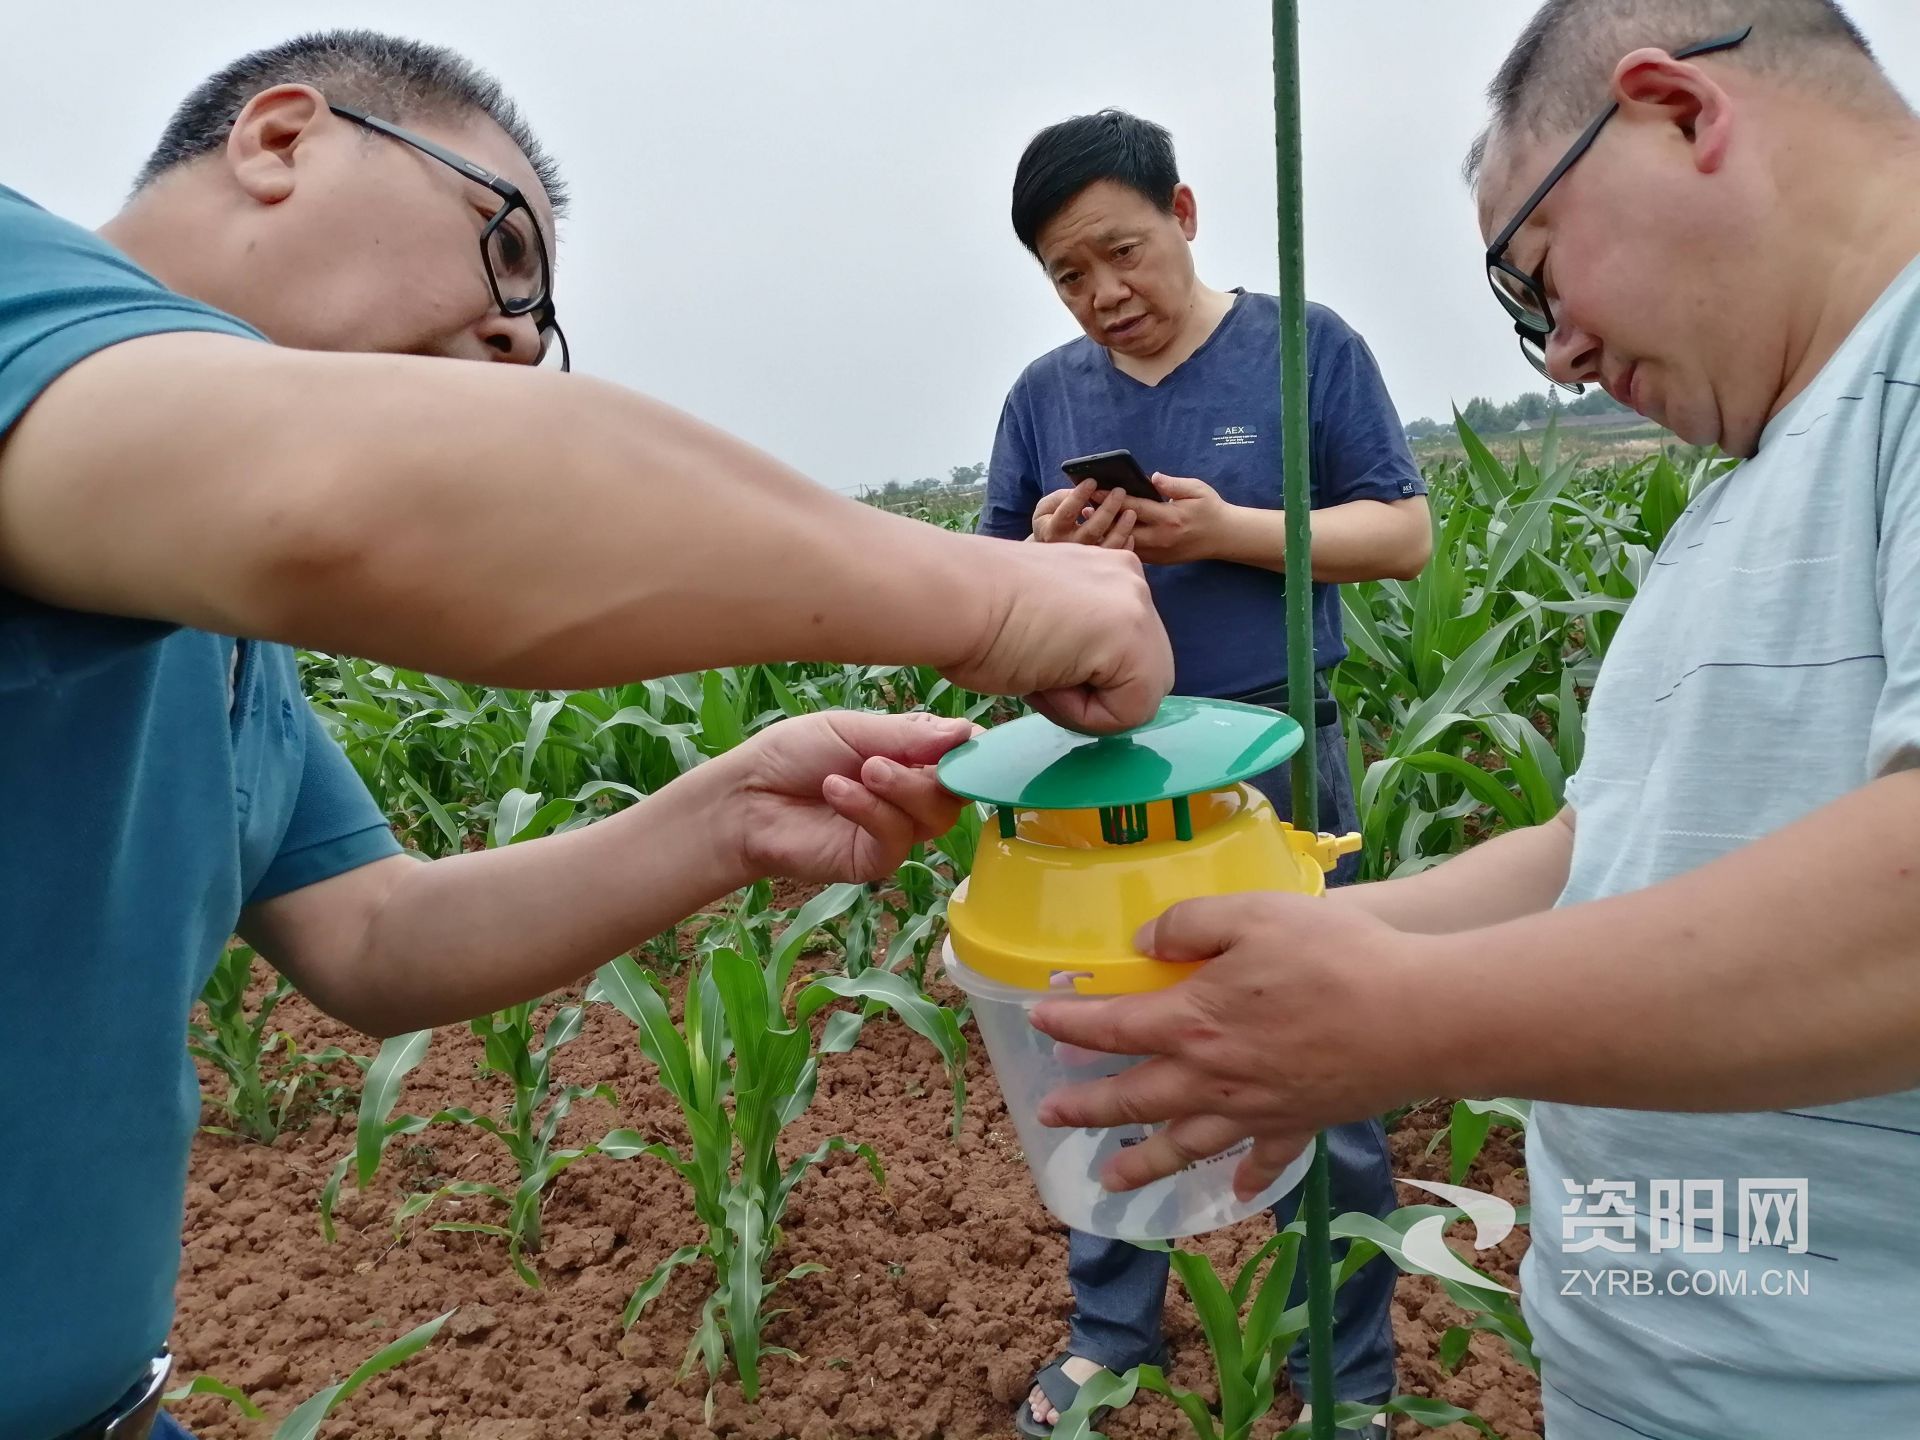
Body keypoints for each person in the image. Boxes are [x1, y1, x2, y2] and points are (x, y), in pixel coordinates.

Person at [0, 32, 1175, 1440]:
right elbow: (344, 503)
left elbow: (373, 937)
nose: (515, 337)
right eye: (504, 251)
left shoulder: (216, 634)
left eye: (541, 328)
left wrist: (729, 811)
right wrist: (999, 602)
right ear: (281, 141)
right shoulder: (21, 290)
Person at [1025, 4, 1920, 1437]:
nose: (1558, 356)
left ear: (1677, 113)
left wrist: (1402, 1019)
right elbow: (1611, 845)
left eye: (1539, 276)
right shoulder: (1760, 470)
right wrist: (1348, 942)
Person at [976, 109, 1432, 1436]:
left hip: (1270, 768)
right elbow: (990, 593)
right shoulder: (1044, 397)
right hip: (1100, 787)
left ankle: (1343, 1371)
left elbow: (1400, 532)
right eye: (1069, 274)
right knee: (1098, 1058)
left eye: (1121, 250)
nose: (1104, 293)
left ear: (1181, 213)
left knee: (1320, 1057)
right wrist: (1056, 557)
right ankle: (1114, 1336)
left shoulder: (1308, 349)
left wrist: (1226, 529)